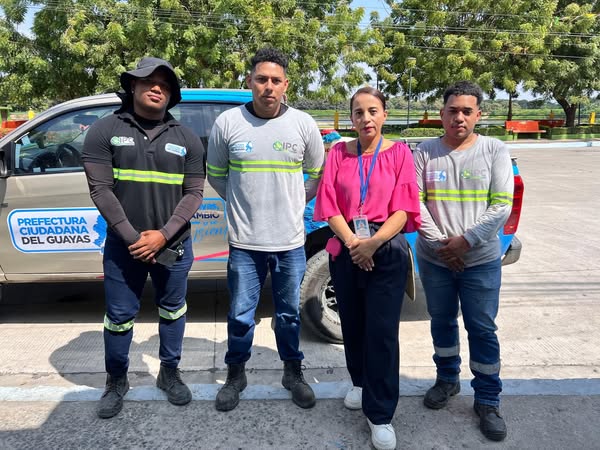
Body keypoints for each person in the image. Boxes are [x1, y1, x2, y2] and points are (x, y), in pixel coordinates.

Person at [82, 57, 206, 419]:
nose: (157, 88)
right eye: (149, 81)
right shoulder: (104, 130)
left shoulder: (186, 138)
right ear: (132, 86)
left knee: (173, 309)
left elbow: (194, 193)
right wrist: (134, 238)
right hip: (125, 247)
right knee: (119, 316)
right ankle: (116, 380)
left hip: (174, 245)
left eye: (164, 85)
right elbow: (100, 190)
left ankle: (169, 372)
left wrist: (163, 236)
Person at [207, 47, 325, 412]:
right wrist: (242, 203)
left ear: (286, 84)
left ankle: (293, 373)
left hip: (290, 242)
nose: (268, 87)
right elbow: (216, 175)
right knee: (241, 316)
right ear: (250, 82)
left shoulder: (303, 124)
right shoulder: (228, 123)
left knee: (289, 314)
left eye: (275, 80)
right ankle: (235, 375)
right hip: (245, 243)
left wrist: (296, 200)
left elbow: (317, 173)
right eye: (261, 79)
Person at [314, 86, 421, 450]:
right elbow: (329, 204)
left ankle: (381, 414)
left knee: (382, 332)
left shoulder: (400, 153)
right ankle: (360, 382)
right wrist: (353, 243)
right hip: (346, 246)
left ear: (384, 114)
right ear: (351, 118)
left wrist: (372, 244)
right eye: (358, 112)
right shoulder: (338, 153)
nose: (366, 118)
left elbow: (404, 209)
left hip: (385, 248)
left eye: (373, 111)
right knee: (353, 324)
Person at [413, 81, 514, 441]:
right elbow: (415, 202)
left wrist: (465, 242)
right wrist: (444, 246)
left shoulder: (494, 150)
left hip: (480, 261)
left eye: (466, 111)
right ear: (441, 114)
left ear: (478, 115)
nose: (459, 117)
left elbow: (501, 205)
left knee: (482, 328)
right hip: (436, 258)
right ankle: (447, 379)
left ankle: (487, 399)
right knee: (441, 321)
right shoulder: (425, 151)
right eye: (452, 110)